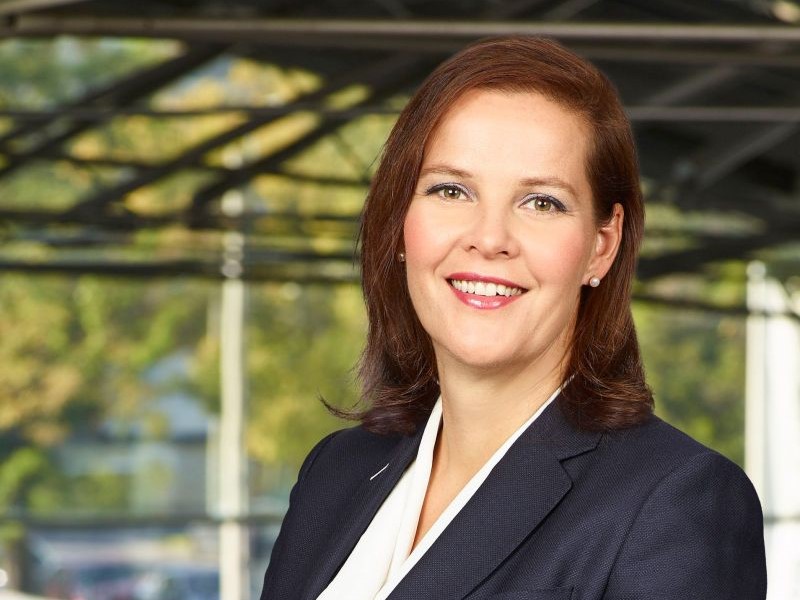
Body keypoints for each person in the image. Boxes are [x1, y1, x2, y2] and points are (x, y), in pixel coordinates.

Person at [259, 36, 767, 600]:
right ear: (400, 221)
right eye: (451, 190)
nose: (489, 238)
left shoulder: (675, 505)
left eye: (541, 202)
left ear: (601, 246)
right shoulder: (336, 473)